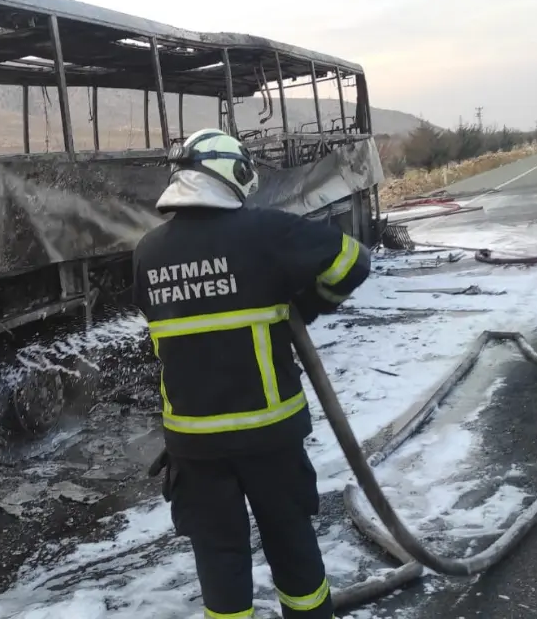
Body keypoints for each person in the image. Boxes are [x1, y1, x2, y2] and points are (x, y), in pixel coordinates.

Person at [134, 128, 371, 619]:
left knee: (219, 561)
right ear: (235, 173)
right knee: (292, 546)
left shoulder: (148, 252)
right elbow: (352, 261)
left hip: (193, 445)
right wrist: (308, 306)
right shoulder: (266, 232)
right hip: (269, 435)